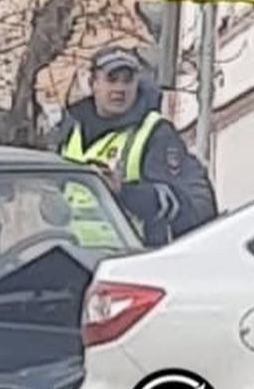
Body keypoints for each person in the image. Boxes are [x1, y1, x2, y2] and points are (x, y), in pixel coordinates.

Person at [57, 46, 216, 247]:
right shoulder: (71, 134)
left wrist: (123, 191)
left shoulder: (154, 132)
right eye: (112, 79)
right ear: (93, 83)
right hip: (75, 257)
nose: (120, 89)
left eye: (128, 80)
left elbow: (175, 204)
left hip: (130, 258)